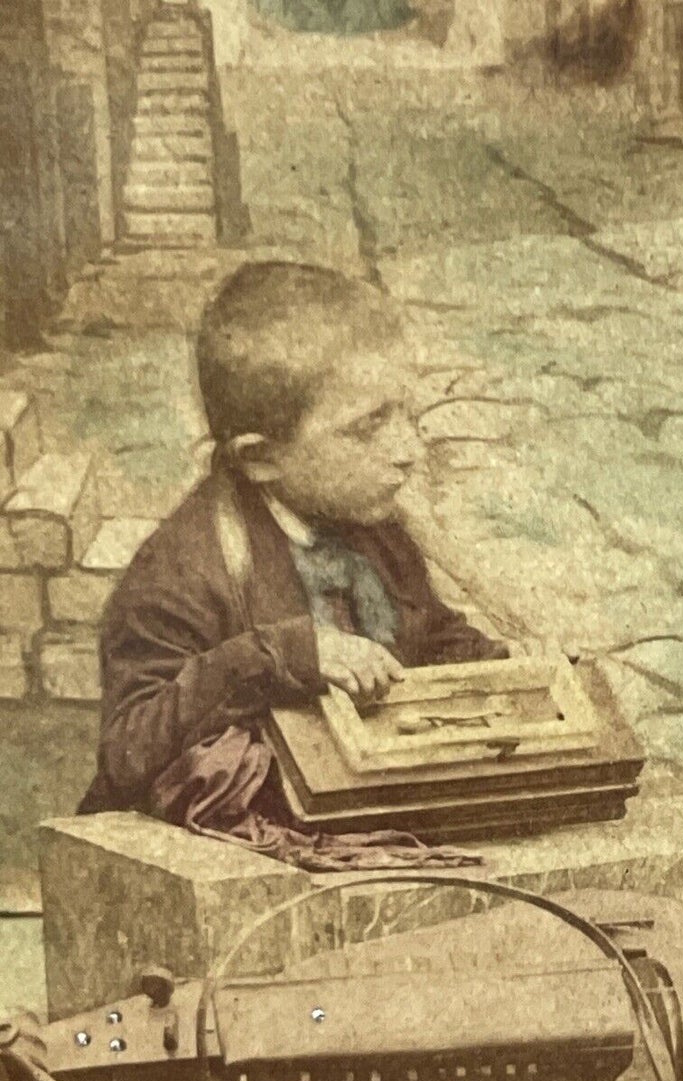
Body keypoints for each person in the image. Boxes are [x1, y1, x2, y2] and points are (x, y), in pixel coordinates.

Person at [80, 260, 506, 817]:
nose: (407, 451)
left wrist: (498, 666)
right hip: (232, 837)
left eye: (406, 413)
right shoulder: (180, 576)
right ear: (260, 458)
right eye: (367, 427)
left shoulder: (375, 529)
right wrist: (279, 657)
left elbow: (427, 632)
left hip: (355, 802)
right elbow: (128, 752)